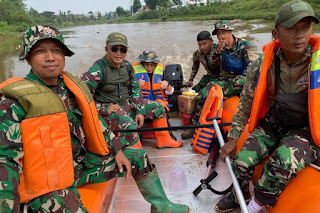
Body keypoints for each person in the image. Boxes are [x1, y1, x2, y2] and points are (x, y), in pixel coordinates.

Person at [0, 25, 189, 213]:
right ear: (27, 57)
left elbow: (94, 118)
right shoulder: (13, 102)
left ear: (64, 55)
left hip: (81, 164)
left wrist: (116, 149)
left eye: (56, 50)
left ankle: (163, 208)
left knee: (138, 157)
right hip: (50, 183)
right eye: (40, 51)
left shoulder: (71, 87)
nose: (50, 57)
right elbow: (5, 162)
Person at [215, 1, 320, 213]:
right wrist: (234, 138)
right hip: (274, 122)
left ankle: (255, 206)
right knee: (242, 161)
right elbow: (245, 103)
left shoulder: (317, 62)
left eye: (305, 27)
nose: (300, 35)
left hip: (306, 130)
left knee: (281, 161)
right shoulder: (262, 65)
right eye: (291, 28)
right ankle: (239, 195)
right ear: (275, 33)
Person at [81, 33, 183, 149]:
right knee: (128, 124)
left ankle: (164, 140)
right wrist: (104, 109)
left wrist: (139, 111)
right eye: (114, 49)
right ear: (106, 49)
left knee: (158, 107)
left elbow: (135, 91)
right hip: (109, 111)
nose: (119, 53)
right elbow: (81, 97)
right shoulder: (97, 70)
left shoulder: (128, 66)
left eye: (123, 50)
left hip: (127, 105)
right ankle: (136, 152)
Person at [182, 21, 252, 139]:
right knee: (200, 96)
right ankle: (193, 127)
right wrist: (219, 51)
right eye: (218, 34)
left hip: (241, 77)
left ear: (230, 31)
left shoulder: (243, 44)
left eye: (224, 32)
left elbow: (251, 66)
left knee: (240, 82)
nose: (221, 36)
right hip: (224, 78)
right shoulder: (217, 48)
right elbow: (212, 64)